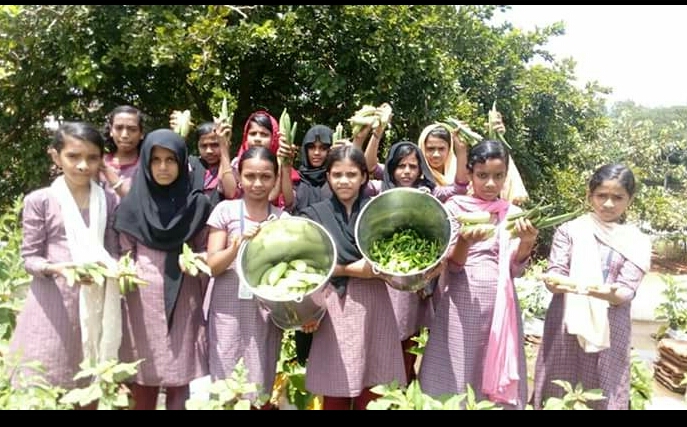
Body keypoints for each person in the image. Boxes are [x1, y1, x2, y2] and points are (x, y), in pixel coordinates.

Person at [418, 139, 538, 409]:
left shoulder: (513, 214)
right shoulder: (455, 209)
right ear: (470, 174)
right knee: (457, 367)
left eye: (498, 176)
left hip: (501, 306)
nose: (491, 184)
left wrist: (527, 242)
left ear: (505, 176)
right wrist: (464, 241)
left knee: (489, 364)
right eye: (483, 176)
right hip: (461, 303)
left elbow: (515, 269)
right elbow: (452, 266)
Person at [8, 122, 118, 406]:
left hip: (94, 304)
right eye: (73, 156)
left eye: (92, 158)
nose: (83, 165)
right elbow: (30, 258)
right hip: (52, 306)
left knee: (88, 387)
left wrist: (115, 269)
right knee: (44, 384)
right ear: (56, 156)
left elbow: (112, 251)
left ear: (101, 159)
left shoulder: (107, 201)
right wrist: (58, 269)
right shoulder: (41, 200)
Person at [531, 164, 651, 410]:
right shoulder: (570, 230)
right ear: (590, 195)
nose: (608, 204)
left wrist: (600, 292)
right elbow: (556, 275)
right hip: (566, 321)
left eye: (617, 197)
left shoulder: (636, 241)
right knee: (559, 386)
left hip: (611, 325)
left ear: (630, 199)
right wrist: (557, 282)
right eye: (601, 195)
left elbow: (625, 291)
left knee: (604, 387)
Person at [300, 145, 406, 410]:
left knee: (373, 387)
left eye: (351, 174)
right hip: (334, 306)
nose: (344, 181)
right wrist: (349, 270)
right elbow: (309, 265)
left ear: (363, 177)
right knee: (335, 388)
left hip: (375, 306)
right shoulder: (314, 216)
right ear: (328, 177)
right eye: (337, 174)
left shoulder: (380, 213)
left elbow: (393, 258)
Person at [114, 129, 211, 410]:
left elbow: (207, 251)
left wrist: (197, 261)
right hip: (141, 302)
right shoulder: (131, 206)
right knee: (143, 377)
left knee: (180, 377)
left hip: (184, 299)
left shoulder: (197, 205)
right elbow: (124, 253)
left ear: (182, 163)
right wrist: (128, 270)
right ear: (146, 163)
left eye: (171, 160)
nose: (163, 167)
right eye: (155, 160)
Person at [204, 146, 288, 408]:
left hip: (264, 314)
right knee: (225, 382)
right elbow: (213, 266)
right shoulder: (225, 211)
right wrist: (236, 245)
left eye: (265, 176)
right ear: (239, 177)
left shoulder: (282, 219)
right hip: (227, 311)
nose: (257, 183)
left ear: (275, 179)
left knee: (260, 382)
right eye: (250, 176)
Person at [220, 110, 297, 209]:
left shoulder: (283, 165)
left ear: (274, 138)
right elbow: (230, 193)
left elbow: (288, 201)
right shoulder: (236, 164)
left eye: (264, 134)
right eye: (253, 134)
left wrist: (284, 165)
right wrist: (223, 147)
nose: (257, 139)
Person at [99, 105, 145, 202]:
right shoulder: (98, 162)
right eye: (119, 128)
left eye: (132, 129)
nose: (124, 135)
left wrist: (105, 170)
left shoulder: (147, 165)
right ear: (111, 131)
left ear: (141, 133)